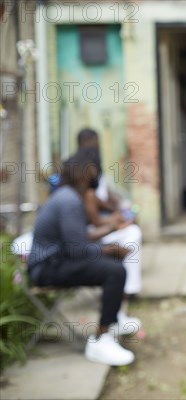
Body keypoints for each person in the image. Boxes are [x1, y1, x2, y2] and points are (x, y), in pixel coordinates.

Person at [27, 148, 140, 366]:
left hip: (56, 262)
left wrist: (109, 237)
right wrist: (108, 249)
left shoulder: (67, 197)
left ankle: (112, 321)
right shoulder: (68, 201)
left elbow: (77, 239)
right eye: (93, 171)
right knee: (114, 270)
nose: (96, 176)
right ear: (83, 175)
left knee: (113, 263)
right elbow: (77, 248)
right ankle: (101, 340)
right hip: (47, 269)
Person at [78, 128, 143, 295]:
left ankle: (127, 283)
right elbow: (95, 222)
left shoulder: (94, 177)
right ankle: (127, 286)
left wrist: (118, 211)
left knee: (131, 228)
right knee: (132, 233)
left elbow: (105, 200)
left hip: (99, 228)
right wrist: (115, 223)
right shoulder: (84, 182)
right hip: (89, 236)